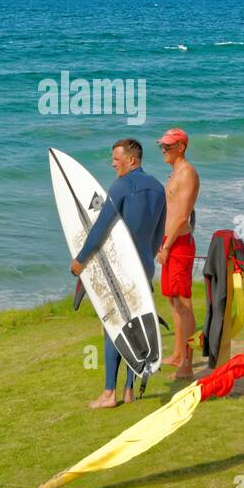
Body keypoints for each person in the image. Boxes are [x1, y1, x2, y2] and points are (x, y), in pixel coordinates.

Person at [70, 138, 166, 409]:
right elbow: (158, 235)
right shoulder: (159, 189)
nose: (113, 163)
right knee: (134, 323)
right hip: (145, 266)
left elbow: (100, 228)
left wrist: (80, 260)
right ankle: (129, 390)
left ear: (131, 160)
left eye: (116, 159)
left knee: (114, 326)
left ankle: (109, 393)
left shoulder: (122, 186)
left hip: (122, 268)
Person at [156, 128, 201, 380]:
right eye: (162, 146)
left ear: (181, 147)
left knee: (184, 304)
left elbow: (182, 215)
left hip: (179, 243)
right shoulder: (174, 173)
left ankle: (187, 363)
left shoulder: (187, 173)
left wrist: (167, 246)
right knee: (173, 301)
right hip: (169, 241)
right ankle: (176, 355)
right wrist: (159, 240)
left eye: (168, 146)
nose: (163, 150)